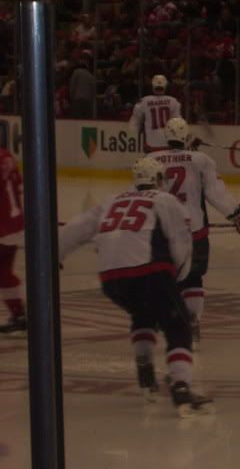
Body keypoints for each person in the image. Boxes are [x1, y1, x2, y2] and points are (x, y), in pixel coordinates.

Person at [59, 158, 212, 415]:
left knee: (143, 313)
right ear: (159, 179)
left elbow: (77, 227)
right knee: (179, 325)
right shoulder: (166, 200)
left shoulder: (111, 200)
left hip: (110, 278)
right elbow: (181, 243)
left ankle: (145, 368)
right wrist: (177, 277)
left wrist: (56, 254)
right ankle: (181, 386)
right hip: (149, 271)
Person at [149, 118, 240, 338]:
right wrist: (238, 214)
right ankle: (193, 321)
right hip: (194, 230)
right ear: (186, 136)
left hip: (162, 231)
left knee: (163, 276)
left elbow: (142, 196)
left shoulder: (151, 160)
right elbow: (215, 193)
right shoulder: (201, 159)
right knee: (193, 278)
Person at [0, 148, 25, 333]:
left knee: (3, 273)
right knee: (3, 272)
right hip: (14, 223)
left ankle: (19, 313)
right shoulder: (7, 155)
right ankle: (19, 314)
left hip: (3, 226)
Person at [128, 74, 182, 152]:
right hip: (168, 142)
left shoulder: (144, 101)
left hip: (151, 143)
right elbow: (178, 123)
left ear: (152, 86)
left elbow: (135, 122)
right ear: (165, 86)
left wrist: (135, 133)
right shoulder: (173, 101)